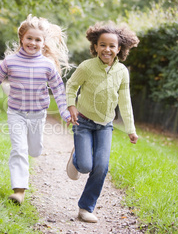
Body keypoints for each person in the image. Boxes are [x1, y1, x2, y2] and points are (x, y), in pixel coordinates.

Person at [0, 14, 71, 204]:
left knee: (34, 150)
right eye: (29, 38)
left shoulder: (47, 65)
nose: (33, 42)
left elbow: (59, 91)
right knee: (19, 149)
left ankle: (34, 150)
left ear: (44, 43)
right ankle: (19, 190)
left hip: (38, 114)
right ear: (21, 38)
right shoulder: (10, 62)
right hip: (16, 113)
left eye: (38, 39)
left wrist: (65, 112)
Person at [66, 22, 139, 223]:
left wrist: (130, 130)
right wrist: (71, 106)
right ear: (95, 46)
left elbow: (125, 101)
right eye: (102, 45)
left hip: (105, 125)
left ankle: (85, 208)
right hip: (83, 121)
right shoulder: (87, 67)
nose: (107, 49)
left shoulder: (122, 71)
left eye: (112, 46)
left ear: (119, 48)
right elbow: (71, 86)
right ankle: (77, 158)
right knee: (85, 165)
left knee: (101, 166)